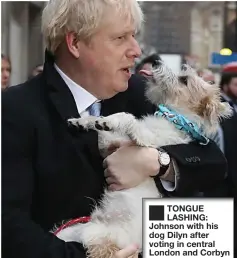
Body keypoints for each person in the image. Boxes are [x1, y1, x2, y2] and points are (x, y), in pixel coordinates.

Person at [2, 0, 227, 258]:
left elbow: (214, 163)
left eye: (134, 36)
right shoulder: (14, 110)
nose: (135, 49)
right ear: (75, 43)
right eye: (120, 37)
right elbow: (8, 227)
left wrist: (158, 162)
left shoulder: (141, 95)